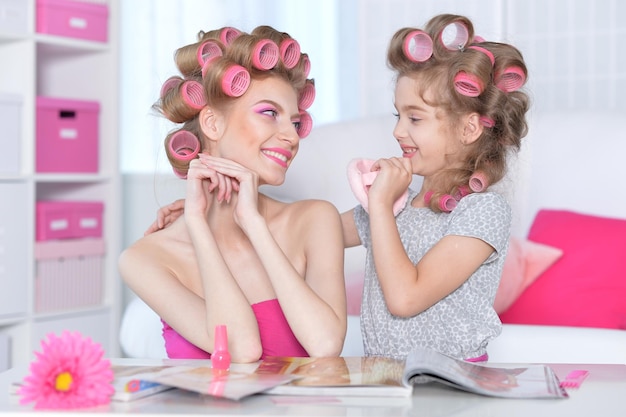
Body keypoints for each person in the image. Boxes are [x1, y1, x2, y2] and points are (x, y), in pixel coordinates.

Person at [146, 14, 530, 362]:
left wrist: (379, 207)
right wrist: (210, 212)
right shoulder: (402, 203)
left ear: (469, 129)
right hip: (386, 377)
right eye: (399, 116)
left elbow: (405, 297)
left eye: (415, 118)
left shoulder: (482, 211)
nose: (398, 131)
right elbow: (316, 226)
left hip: (453, 382)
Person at [118, 25, 347, 363]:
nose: (292, 137)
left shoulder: (314, 220)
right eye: (270, 113)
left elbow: (326, 345)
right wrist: (197, 225)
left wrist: (253, 223)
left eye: (295, 122)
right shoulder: (144, 259)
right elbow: (241, 349)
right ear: (212, 124)